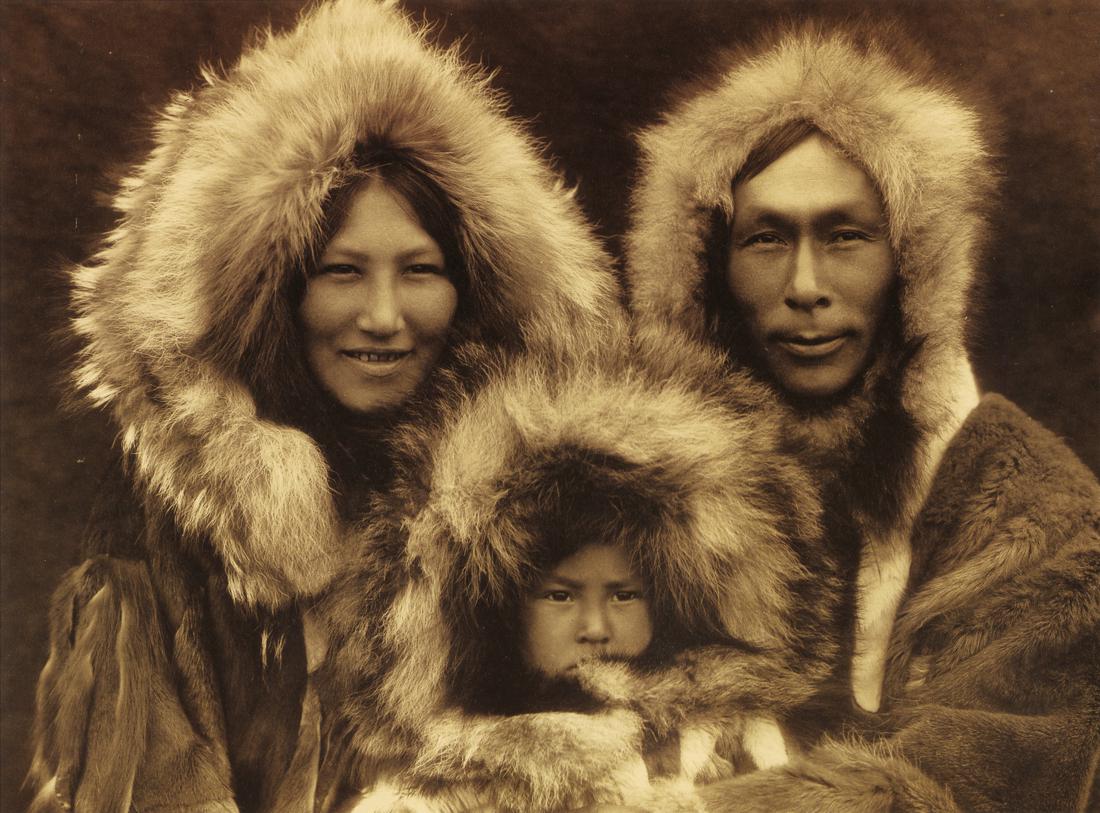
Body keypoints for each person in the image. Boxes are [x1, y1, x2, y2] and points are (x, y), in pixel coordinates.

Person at [28, 1, 620, 810]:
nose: (383, 316)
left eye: (419, 269)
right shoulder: (173, 527)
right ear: (277, 294)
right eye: (342, 271)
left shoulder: (549, 512)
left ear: (471, 289)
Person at [625, 21, 1100, 811]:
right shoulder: (638, 498)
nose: (806, 284)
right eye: (767, 237)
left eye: (846, 235)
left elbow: (991, 766)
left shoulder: (1044, 518)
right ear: (710, 269)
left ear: (912, 262)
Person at [314, 332, 845, 811]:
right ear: (500, 615)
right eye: (561, 597)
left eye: (624, 596)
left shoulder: (723, 745)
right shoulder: (436, 782)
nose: (595, 626)